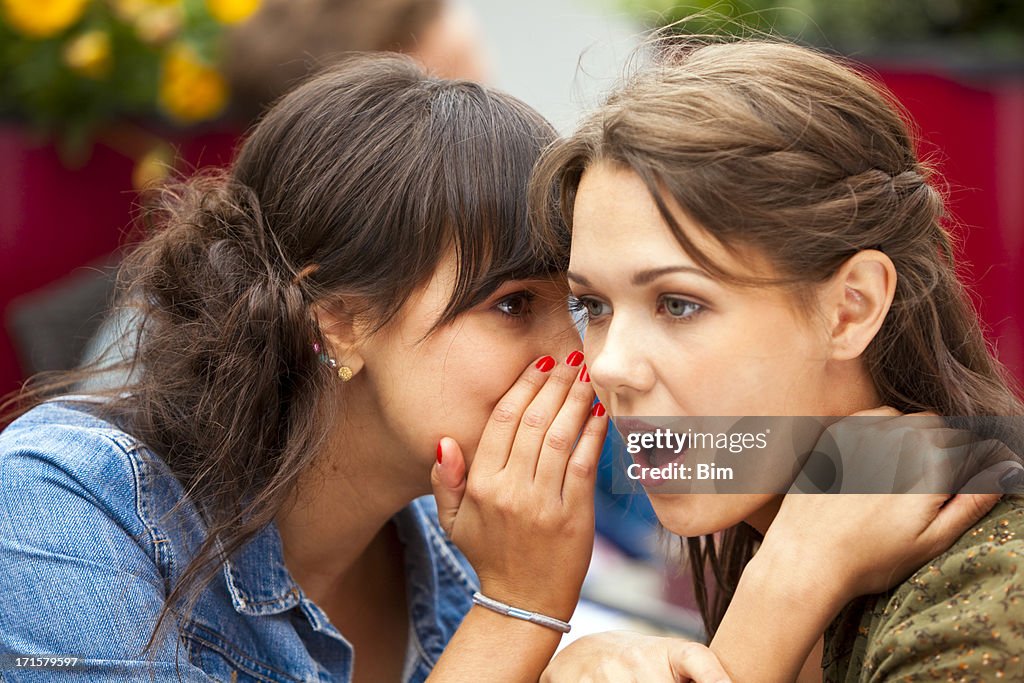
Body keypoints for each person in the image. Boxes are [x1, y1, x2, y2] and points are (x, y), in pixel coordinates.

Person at [0, 54, 1007, 683]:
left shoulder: (455, 531)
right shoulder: (61, 507)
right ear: (341, 321)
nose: (593, 360)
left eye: (568, 302)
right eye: (517, 305)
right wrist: (527, 608)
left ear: (856, 303)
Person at [533, 37, 1024, 682]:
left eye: (679, 304)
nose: (610, 366)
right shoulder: (767, 532)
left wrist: (788, 583)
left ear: (850, 308)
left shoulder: (986, 603)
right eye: (593, 307)